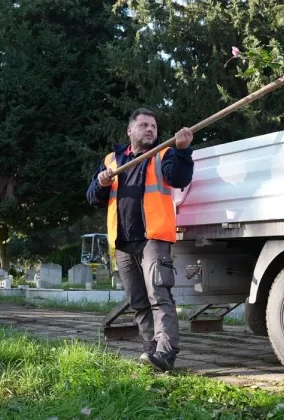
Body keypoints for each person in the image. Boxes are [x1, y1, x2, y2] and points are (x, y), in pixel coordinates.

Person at [86, 108, 194, 371]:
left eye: (154, 127)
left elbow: (180, 178)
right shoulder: (112, 160)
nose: (150, 130)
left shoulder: (165, 152)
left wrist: (182, 150)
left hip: (153, 238)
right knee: (139, 302)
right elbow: (92, 197)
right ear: (130, 130)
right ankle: (151, 352)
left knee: (159, 295)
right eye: (144, 125)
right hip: (122, 243)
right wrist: (100, 183)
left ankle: (166, 353)